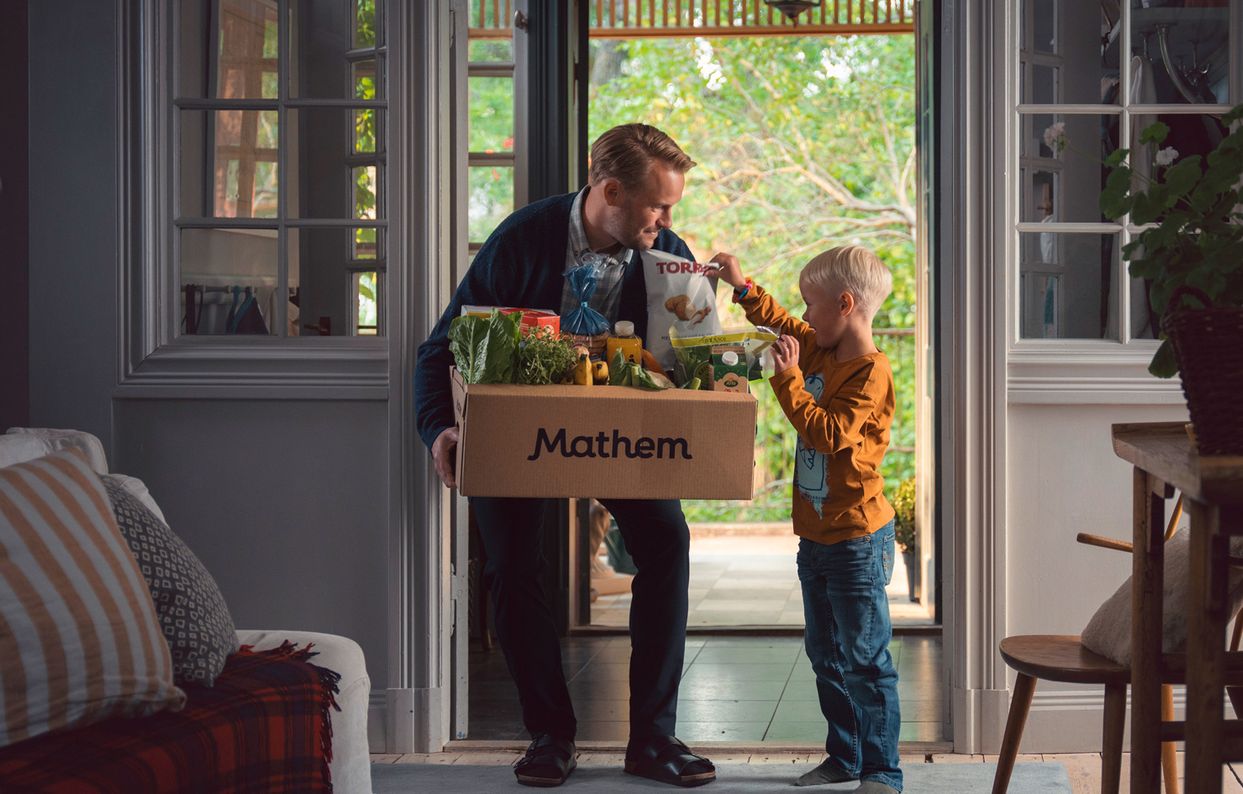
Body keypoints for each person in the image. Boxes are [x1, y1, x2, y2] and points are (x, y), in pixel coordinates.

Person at [414, 124, 716, 788]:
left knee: (666, 542)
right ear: (610, 191)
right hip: (522, 430)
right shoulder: (523, 237)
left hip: (620, 432)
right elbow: (440, 348)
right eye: (658, 206)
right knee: (515, 564)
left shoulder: (666, 252)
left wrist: (713, 350)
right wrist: (440, 429)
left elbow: (694, 358)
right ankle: (548, 735)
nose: (669, 222)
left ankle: (653, 740)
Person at [708, 247, 903, 794]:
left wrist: (787, 378)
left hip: (858, 540)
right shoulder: (822, 345)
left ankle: (883, 771)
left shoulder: (870, 373)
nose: (805, 317)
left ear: (845, 304)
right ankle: (845, 757)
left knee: (866, 661)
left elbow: (828, 432)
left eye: (812, 305)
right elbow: (781, 322)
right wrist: (743, 287)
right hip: (816, 538)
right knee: (827, 657)